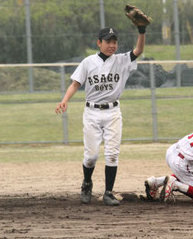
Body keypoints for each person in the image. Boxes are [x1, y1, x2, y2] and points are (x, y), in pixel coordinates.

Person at [55, 24, 147, 206]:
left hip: (113, 112)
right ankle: (87, 183)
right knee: (91, 156)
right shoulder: (88, 62)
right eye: (108, 41)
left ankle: (108, 192)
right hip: (92, 112)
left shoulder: (121, 60)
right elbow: (75, 83)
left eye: (115, 42)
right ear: (99, 43)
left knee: (112, 154)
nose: (112, 45)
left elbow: (139, 50)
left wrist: (142, 31)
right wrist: (65, 100)